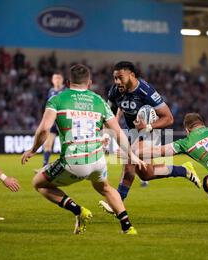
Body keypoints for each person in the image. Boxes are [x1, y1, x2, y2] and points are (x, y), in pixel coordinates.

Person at [21, 64, 146, 235]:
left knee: (38, 183)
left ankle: (78, 210)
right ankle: (127, 226)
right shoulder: (99, 100)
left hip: (74, 162)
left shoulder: (57, 99)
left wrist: (33, 149)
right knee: (105, 188)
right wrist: (131, 154)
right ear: (89, 83)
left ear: (67, 82)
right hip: (97, 161)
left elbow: (44, 130)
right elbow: (117, 132)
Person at [104, 61, 200, 203]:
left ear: (131, 75)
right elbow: (110, 116)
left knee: (129, 162)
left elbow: (169, 118)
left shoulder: (146, 91)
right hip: (133, 132)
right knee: (146, 174)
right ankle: (183, 170)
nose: (117, 81)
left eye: (120, 77)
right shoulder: (114, 91)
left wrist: (147, 127)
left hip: (149, 131)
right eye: (115, 78)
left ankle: (117, 204)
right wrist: (106, 133)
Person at [42, 72, 65, 167]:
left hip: (62, 122)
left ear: (62, 80)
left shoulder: (66, 91)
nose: (57, 80)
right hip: (52, 121)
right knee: (47, 144)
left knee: (64, 145)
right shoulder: (50, 91)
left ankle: (66, 166)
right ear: (52, 80)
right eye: (55, 78)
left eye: (59, 78)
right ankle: (44, 166)